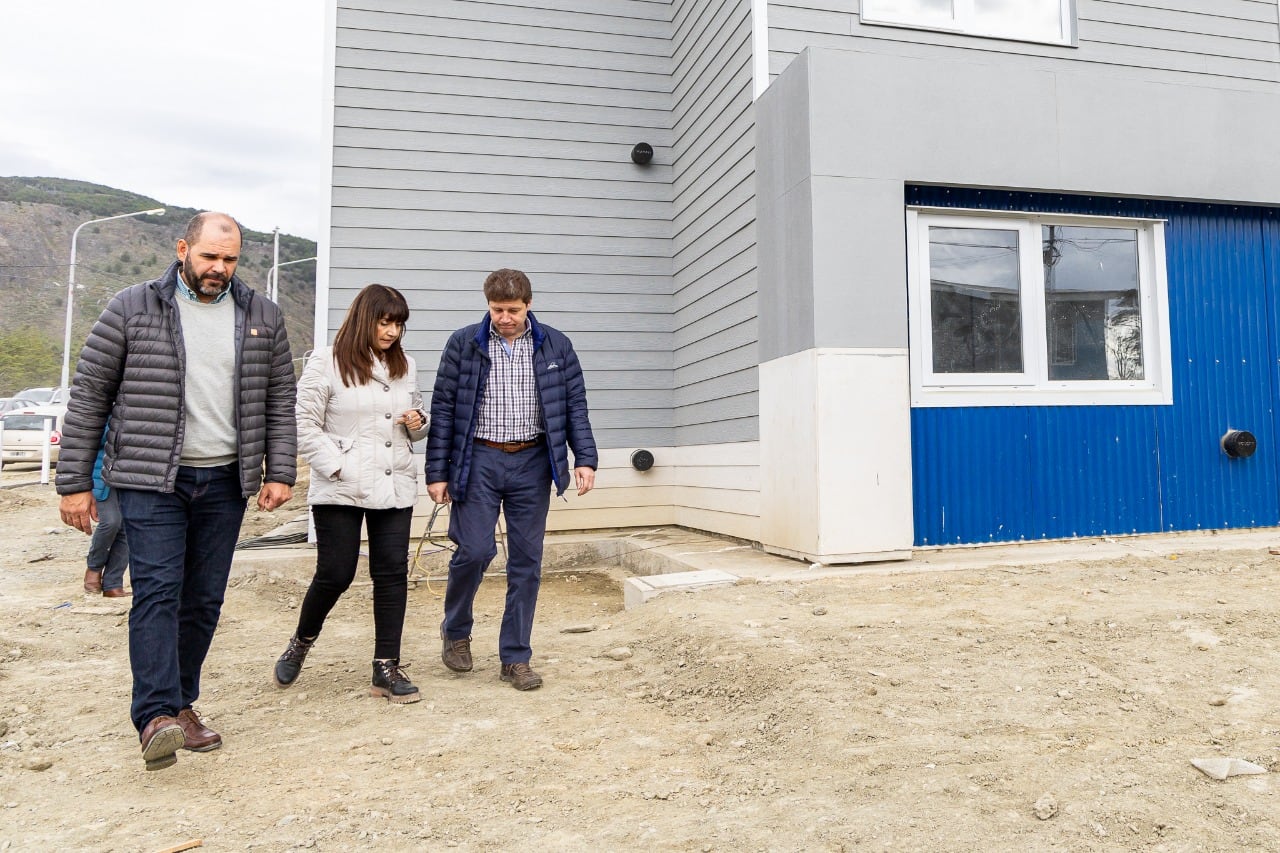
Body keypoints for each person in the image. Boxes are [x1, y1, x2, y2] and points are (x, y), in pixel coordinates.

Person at [56, 212, 297, 771]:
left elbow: (279, 398)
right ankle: (156, 716)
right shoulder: (131, 307)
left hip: (224, 480)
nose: (219, 268)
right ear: (183, 248)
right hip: (149, 479)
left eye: (230, 259)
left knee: (204, 599)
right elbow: (90, 395)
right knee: (160, 592)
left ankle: (182, 704)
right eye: (210, 256)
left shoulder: (262, 315)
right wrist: (73, 483)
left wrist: (279, 469)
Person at [427, 267, 597, 691]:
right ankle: (456, 631)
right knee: (474, 550)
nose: (505, 317)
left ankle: (515, 657)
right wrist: (436, 473)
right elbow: (444, 408)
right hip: (479, 457)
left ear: (529, 305)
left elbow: (574, 404)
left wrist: (585, 458)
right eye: (497, 309)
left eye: (513, 310)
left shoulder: (556, 344)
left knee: (526, 562)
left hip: (532, 462)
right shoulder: (463, 343)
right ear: (487, 305)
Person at [273, 284, 428, 704]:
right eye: (385, 321)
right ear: (365, 317)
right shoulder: (326, 361)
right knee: (336, 573)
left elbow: (416, 422)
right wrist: (337, 466)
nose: (392, 331)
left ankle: (386, 667)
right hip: (341, 484)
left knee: (392, 574)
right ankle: (301, 642)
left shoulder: (405, 365)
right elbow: (303, 422)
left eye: (398, 323)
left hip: (394, 482)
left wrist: (417, 420)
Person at [83, 425, 131, 598]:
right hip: (102, 477)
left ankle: (113, 583)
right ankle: (94, 569)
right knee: (110, 522)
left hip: (130, 476)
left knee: (127, 529)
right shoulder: (105, 411)